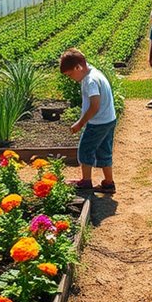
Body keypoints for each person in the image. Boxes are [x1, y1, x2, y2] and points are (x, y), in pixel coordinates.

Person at [60, 48, 117, 194]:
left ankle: (86, 181)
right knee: (104, 150)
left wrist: (80, 123)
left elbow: (94, 105)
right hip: (109, 120)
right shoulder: (94, 73)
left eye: (70, 74)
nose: (71, 78)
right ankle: (108, 183)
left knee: (85, 150)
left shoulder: (90, 81)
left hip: (98, 123)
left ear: (78, 67)